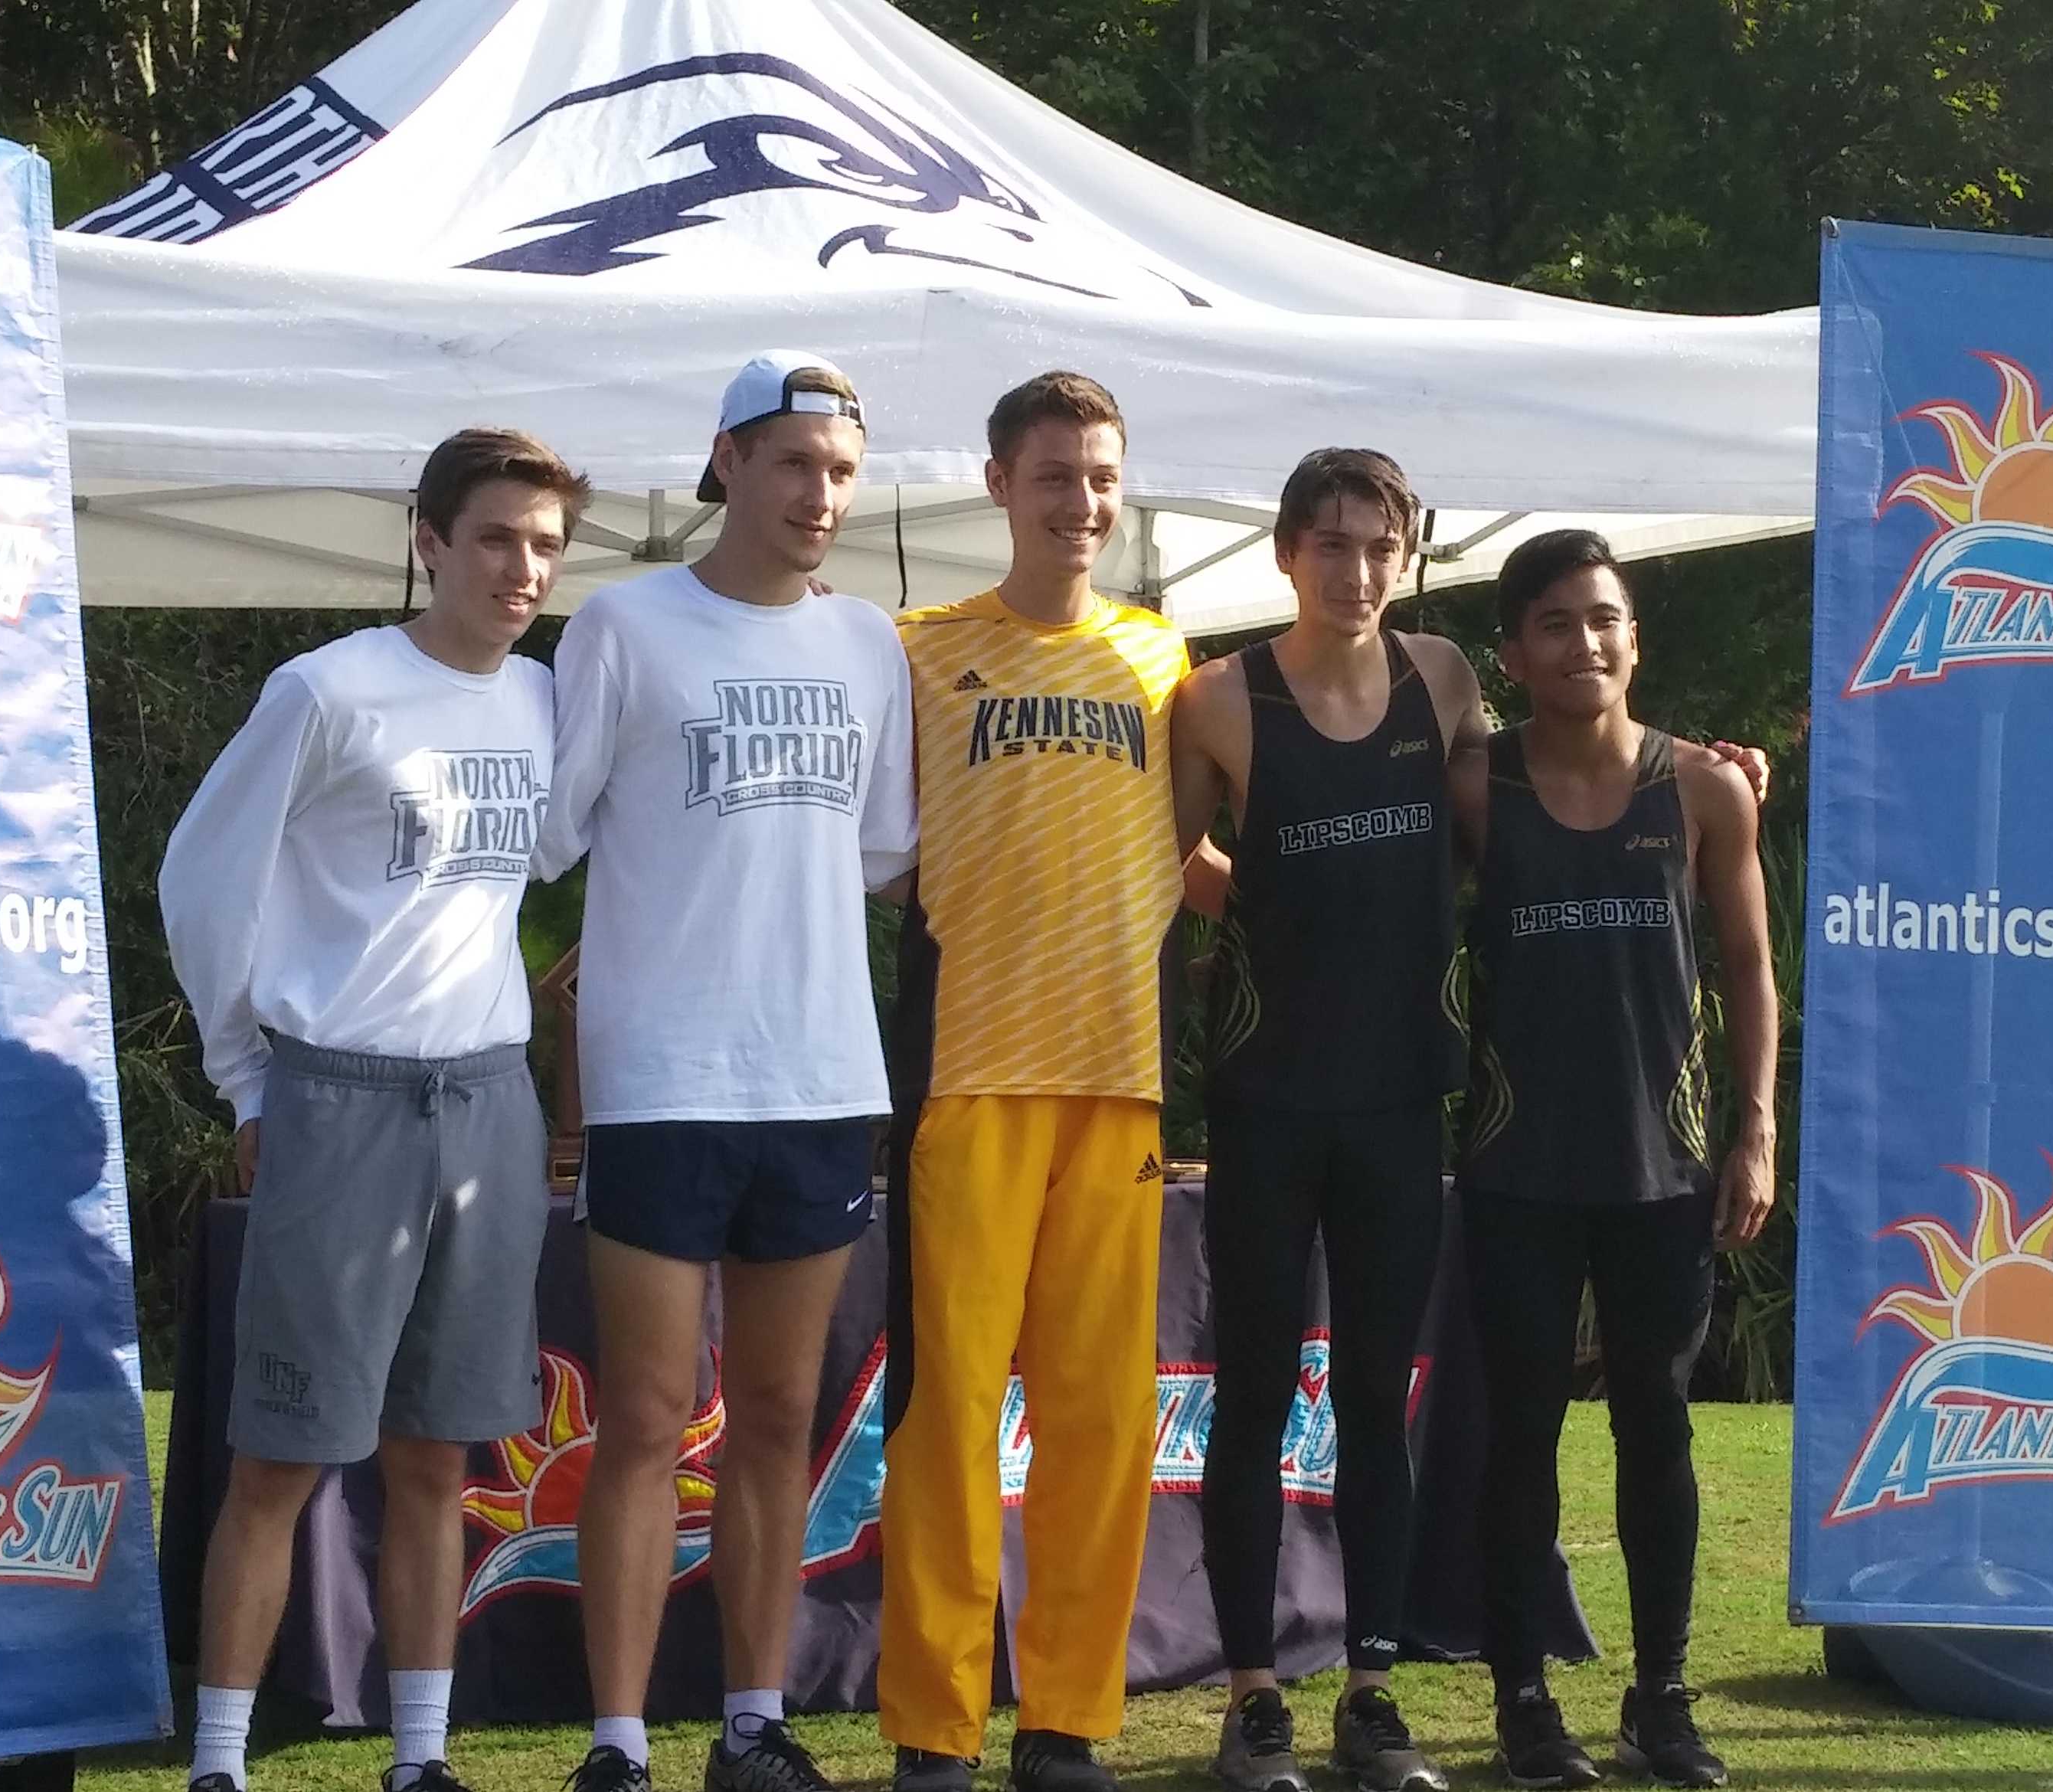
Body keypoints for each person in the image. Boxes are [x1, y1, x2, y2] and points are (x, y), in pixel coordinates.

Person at [161, 427, 588, 1792]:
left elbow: (568, 864)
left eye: (543, 547)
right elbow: (201, 884)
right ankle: (219, 1763)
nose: (522, 570)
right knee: (280, 1456)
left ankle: (420, 1759)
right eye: (496, 540)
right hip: (335, 1096)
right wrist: (245, 1079)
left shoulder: (545, 703)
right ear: (430, 541)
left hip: (488, 1104)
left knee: (435, 1456)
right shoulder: (327, 691)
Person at [541, 355, 917, 1792]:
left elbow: (884, 854)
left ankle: (752, 1724)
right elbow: (549, 833)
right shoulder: (625, 626)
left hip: (820, 1079)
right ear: (726, 464)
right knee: (643, 1421)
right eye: (793, 464)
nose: (819, 494)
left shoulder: (869, 643)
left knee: (776, 1422)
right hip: (660, 1079)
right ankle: (619, 1742)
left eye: (840, 470)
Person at [879, 370, 1189, 1792]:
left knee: (1099, 1421)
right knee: (950, 1419)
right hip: (972, 1075)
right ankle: (934, 1727)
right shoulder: (918, 649)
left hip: (1119, 1079)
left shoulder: (1170, 664)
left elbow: (1228, 834)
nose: (1082, 501)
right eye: (1055, 474)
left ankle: (1065, 1717)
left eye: (1102, 476)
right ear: (999, 483)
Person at [1168, 449, 1485, 1792]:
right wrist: (1270, 911)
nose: (1357, 572)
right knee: (1248, 1397)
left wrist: (1698, 777)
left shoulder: (1446, 680)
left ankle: (1371, 1689)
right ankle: (1252, 1699)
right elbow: (1166, 872)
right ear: (1286, 554)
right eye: (1332, 545)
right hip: (1266, 1102)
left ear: (1407, 557)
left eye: (1381, 547)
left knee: (1373, 1396)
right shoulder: (1218, 701)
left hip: (1404, 1096)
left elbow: (1502, 833)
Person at [1460, 530, 1778, 1790]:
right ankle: (1525, 1704)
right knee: (1521, 1436)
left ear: (1635, 638)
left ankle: (1661, 1695)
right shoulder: (1475, 789)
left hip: (1664, 1167)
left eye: (1604, 619)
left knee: (1658, 1433)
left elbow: (1749, 971)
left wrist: (1753, 1130)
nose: (1583, 643)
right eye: (1554, 623)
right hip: (1515, 1166)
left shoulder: (1705, 790)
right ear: (1514, 653)